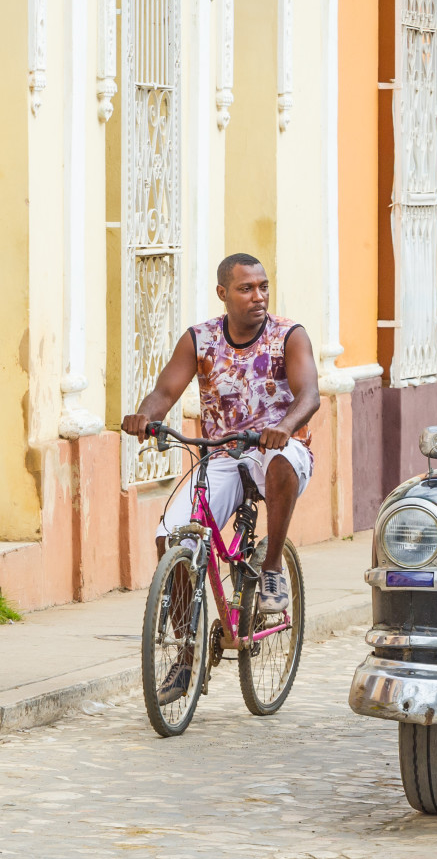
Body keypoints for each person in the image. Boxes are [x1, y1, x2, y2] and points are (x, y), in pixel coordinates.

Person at [122, 253, 321, 617]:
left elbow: (309, 395)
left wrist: (285, 428)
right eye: (246, 289)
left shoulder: (289, 335)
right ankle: (184, 654)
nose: (258, 296)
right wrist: (144, 416)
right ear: (222, 293)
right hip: (222, 454)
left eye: (263, 287)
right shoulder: (199, 340)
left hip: (278, 448)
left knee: (280, 460)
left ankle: (272, 566)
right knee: (171, 537)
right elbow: (164, 393)